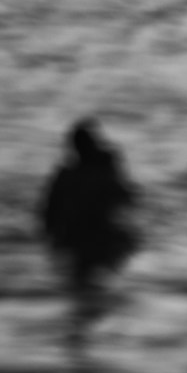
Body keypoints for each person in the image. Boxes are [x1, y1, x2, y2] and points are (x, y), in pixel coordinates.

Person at [37, 120, 140, 281]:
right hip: (89, 235)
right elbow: (129, 199)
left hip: (91, 234)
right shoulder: (70, 176)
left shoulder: (92, 173)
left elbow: (47, 215)